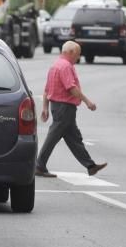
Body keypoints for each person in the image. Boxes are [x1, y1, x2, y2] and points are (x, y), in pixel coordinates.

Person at [35, 40, 107, 178]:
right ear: (71, 52)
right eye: (78, 54)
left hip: (58, 107)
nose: (78, 58)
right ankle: (39, 165)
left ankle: (90, 166)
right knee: (53, 135)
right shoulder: (66, 66)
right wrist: (87, 101)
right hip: (65, 107)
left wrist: (45, 108)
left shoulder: (55, 65)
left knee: (74, 138)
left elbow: (47, 90)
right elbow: (71, 88)